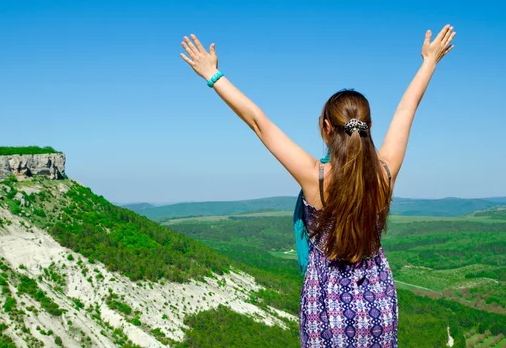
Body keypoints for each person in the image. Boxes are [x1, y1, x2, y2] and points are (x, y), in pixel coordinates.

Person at [180, 25, 456, 348]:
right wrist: (429, 62)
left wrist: (213, 75)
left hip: (327, 305)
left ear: (327, 129)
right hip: (378, 299)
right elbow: (407, 109)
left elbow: (259, 122)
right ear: (369, 129)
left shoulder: (317, 179)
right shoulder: (384, 175)